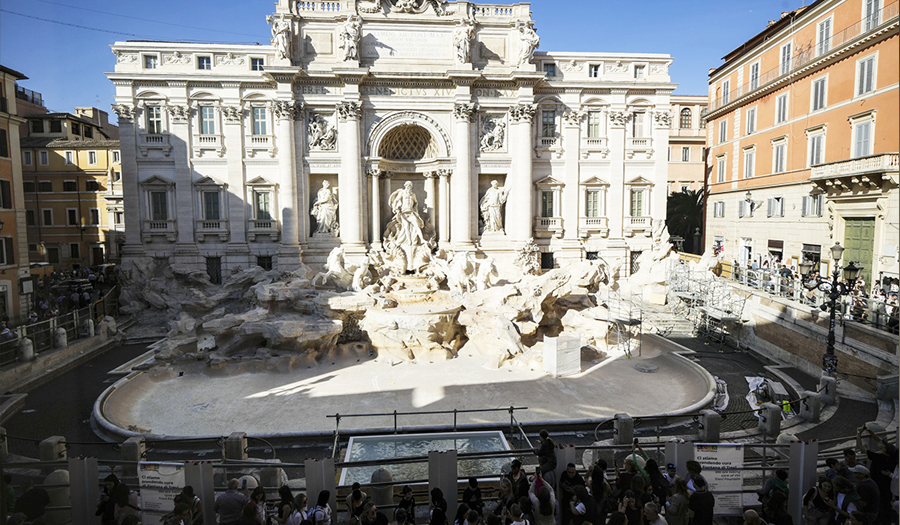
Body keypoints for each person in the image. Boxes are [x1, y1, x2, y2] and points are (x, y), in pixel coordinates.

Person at [857, 425, 898, 525]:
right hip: (888, 485)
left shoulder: (878, 458)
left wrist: (858, 433)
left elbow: (860, 446)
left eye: (882, 446)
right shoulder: (894, 456)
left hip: (878, 483)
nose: (880, 443)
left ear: (884, 450)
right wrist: (870, 432)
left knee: (879, 504)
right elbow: (880, 441)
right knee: (885, 503)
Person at [585, 459, 612, 525]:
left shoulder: (592, 485)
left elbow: (586, 478)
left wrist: (589, 471)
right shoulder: (605, 485)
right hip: (603, 508)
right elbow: (610, 493)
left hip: (593, 508)